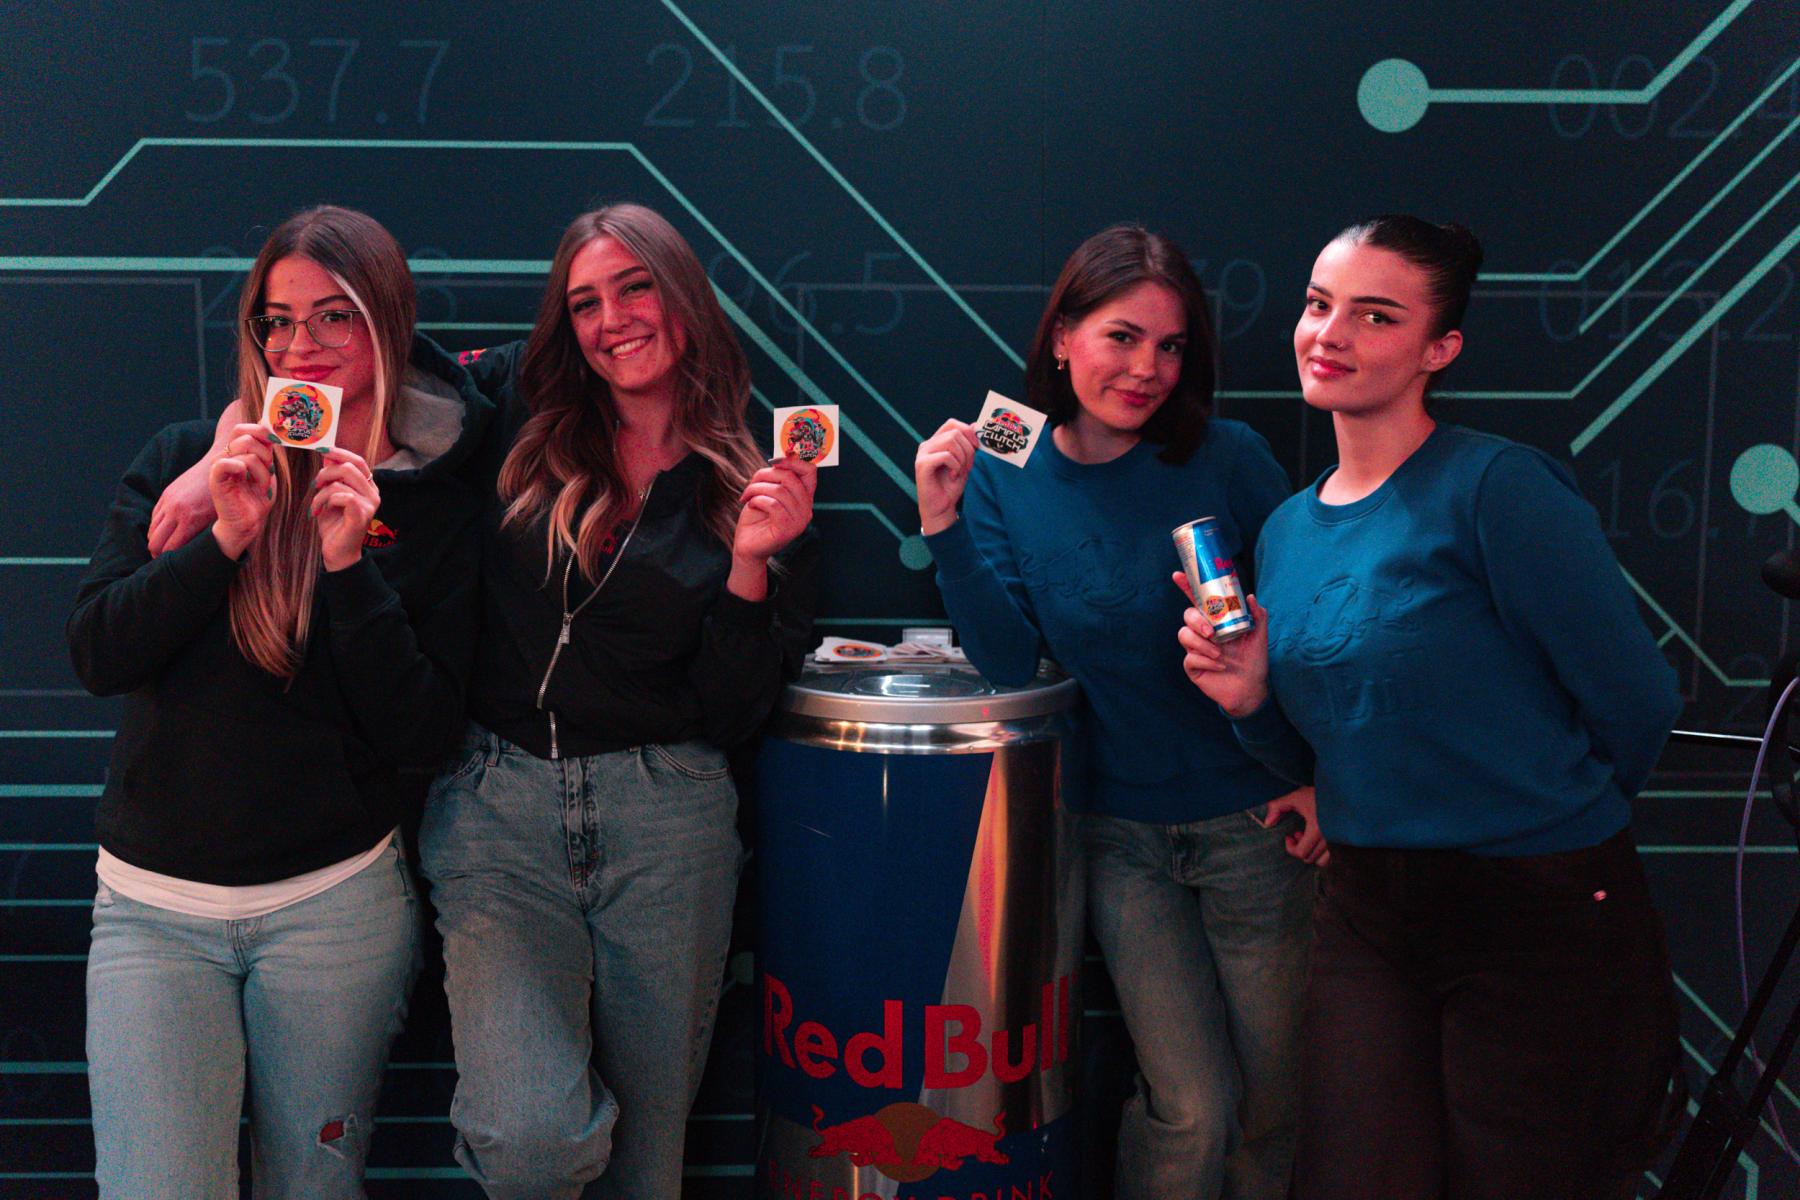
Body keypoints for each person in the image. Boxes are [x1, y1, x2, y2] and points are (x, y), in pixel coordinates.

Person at [1180, 215, 1684, 1200]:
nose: (1330, 334)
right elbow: (1327, 748)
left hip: (1532, 907)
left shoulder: (1497, 489)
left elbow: (1637, 701)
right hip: (1368, 910)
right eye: (1319, 305)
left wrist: (1541, 817)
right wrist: (1248, 699)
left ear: (1438, 349)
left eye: (1376, 316)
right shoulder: (1286, 531)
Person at [69, 205, 491, 1198]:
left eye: (334, 315)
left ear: (386, 320)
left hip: (333, 913)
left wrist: (348, 568)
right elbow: (99, 652)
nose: (301, 346)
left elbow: (421, 730)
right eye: (278, 319)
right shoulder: (186, 461)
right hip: (152, 913)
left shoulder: (433, 502)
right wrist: (222, 539)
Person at [914, 224, 1323, 1200]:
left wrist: (1318, 772)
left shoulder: (1228, 456)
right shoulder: (1006, 458)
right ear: (1062, 337)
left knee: (1275, 1107)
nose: (1147, 370)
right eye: (1122, 337)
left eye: (1171, 346)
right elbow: (1008, 661)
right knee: (1192, 1107)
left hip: (1257, 821)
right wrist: (942, 524)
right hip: (1116, 834)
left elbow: (1310, 628)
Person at [423, 203, 820, 1200]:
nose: (612, 321)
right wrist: (222, 456)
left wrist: (751, 567)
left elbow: (732, 714)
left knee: (649, 1164)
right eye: (586, 302)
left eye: (634, 288)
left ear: (683, 298)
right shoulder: (517, 397)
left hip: (668, 815)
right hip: (497, 809)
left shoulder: (754, 476)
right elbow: (373, 378)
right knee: (530, 1141)